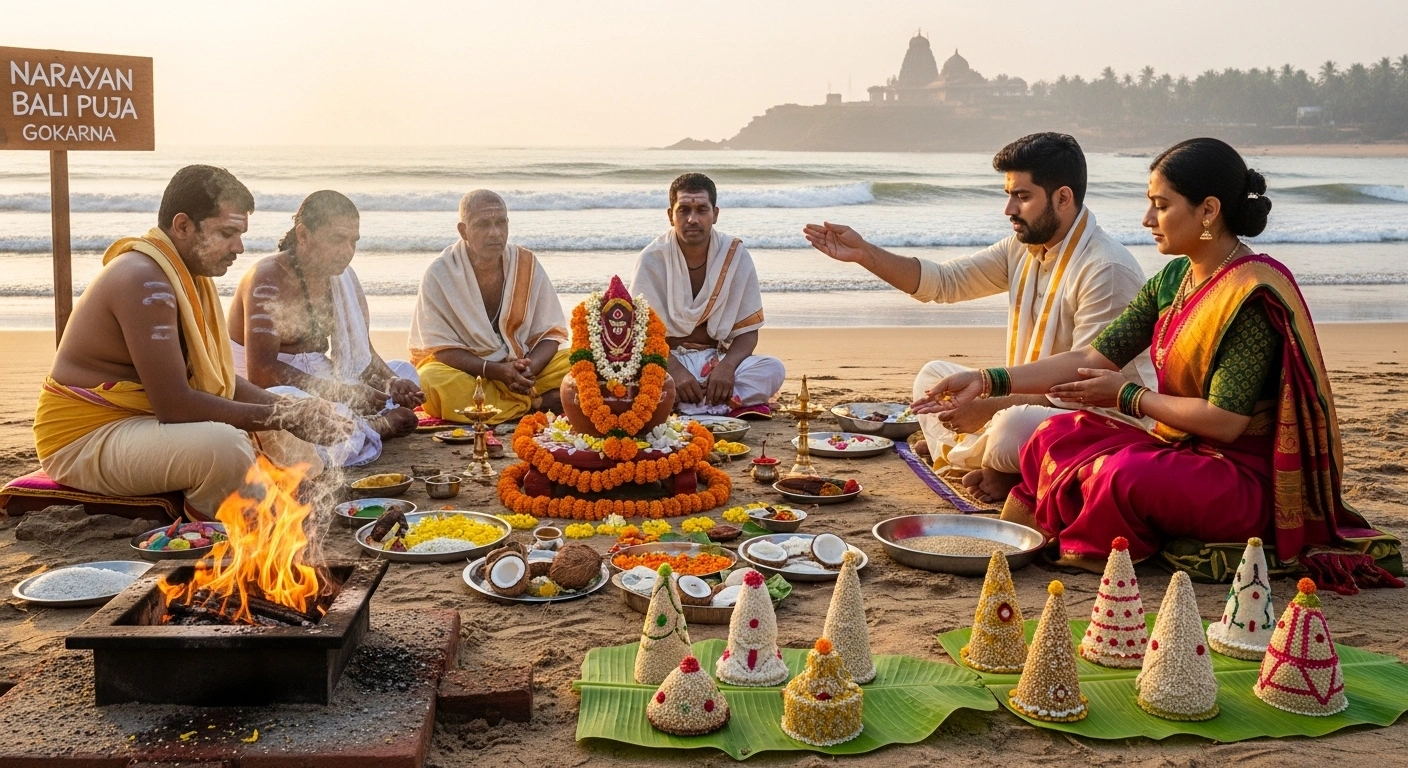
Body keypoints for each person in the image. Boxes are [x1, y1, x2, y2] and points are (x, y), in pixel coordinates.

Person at [919, 138, 1398, 590]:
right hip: (1185, 451)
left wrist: (1128, 396)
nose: (1148, 218)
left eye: (1162, 205)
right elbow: (1091, 356)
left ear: (1208, 210)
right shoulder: (1174, 278)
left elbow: (1227, 423)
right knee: (1054, 434)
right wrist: (985, 380)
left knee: (1120, 476)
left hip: (1240, 479)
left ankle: (1075, 536)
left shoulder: (1249, 295)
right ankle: (1041, 515)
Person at [804, 133, 1152, 502]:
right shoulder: (1022, 249)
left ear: (1063, 197)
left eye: (1022, 196)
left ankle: (971, 456)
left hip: (1099, 421)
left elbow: (1085, 389)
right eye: (1009, 195)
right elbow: (943, 282)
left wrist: (992, 403)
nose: (1009, 210)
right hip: (1024, 398)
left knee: (1012, 426)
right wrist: (865, 254)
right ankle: (982, 460)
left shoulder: (1106, 268)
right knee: (933, 377)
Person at [33, 165, 353, 520]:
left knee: (291, 409)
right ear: (183, 226)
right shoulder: (143, 281)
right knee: (224, 448)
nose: (239, 247)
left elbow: (219, 381)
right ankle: (209, 532)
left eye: (240, 234)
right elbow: (175, 405)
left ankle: (293, 508)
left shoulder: (187, 277)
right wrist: (280, 415)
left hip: (142, 421)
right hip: (85, 437)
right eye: (228, 233)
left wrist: (290, 411)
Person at [228, 191, 423, 467]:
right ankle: (375, 428)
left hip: (322, 377)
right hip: (269, 391)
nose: (347, 251)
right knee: (297, 410)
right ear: (304, 235)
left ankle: (359, 425)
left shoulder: (342, 277)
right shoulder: (267, 279)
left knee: (406, 370)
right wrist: (344, 394)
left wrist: (392, 383)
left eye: (353, 241)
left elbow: (361, 355)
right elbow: (262, 374)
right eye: (337, 239)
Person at [630, 173, 784, 417]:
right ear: (671, 215)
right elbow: (641, 335)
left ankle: (684, 406)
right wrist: (676, 372)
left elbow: (747, 332)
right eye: (684, 210)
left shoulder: (734, 255)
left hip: (715, 362)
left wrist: (727, 368)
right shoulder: (652, 259)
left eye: (702, 209)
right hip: (667, 362)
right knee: (628, 378)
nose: (693, 219)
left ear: (715, 214)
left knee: (772, 368)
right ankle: (721, 405)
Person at [410, 190, 570, 425]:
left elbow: (550, 332)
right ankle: (537, 404)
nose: (494, 233)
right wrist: (497, 371)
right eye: (483, 224)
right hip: (470, 373)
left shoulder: (526, 263)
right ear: (463, 231)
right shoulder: (440, 273)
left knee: (581, 361)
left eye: (500, 223)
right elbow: (441, 349)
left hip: (523, 369)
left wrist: (528, 370)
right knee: (429, 380)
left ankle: (505, 406)